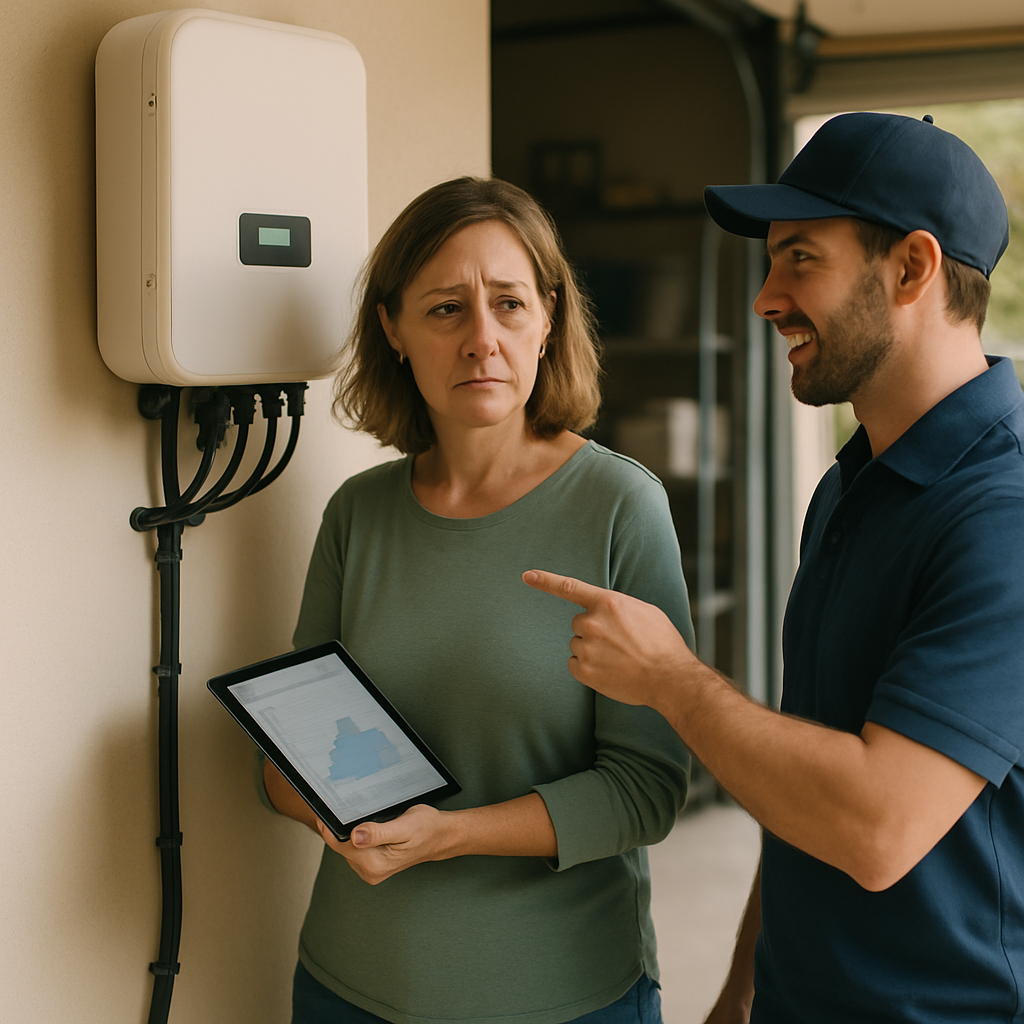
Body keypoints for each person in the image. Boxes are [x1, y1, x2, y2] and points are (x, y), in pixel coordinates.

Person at [524, 112, 1024, 1024]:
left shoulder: (1003, 515)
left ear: (912, 267)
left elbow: (876, 826)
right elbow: (806, 769)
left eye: (801, 257)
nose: (765, 297)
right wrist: (743, 990)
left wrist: (671, 678)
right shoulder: (852, 484)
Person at [260, 176, 693, 1024]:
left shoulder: (619, 509)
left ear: (549, 320)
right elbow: (284, 764)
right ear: (394, 329)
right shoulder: (358, 514)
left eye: (509, 303)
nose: (482, 340)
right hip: (350, 987)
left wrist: (450, 833)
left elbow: (648, 789)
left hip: (562, 995)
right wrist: (318, 805)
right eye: (446, 309)